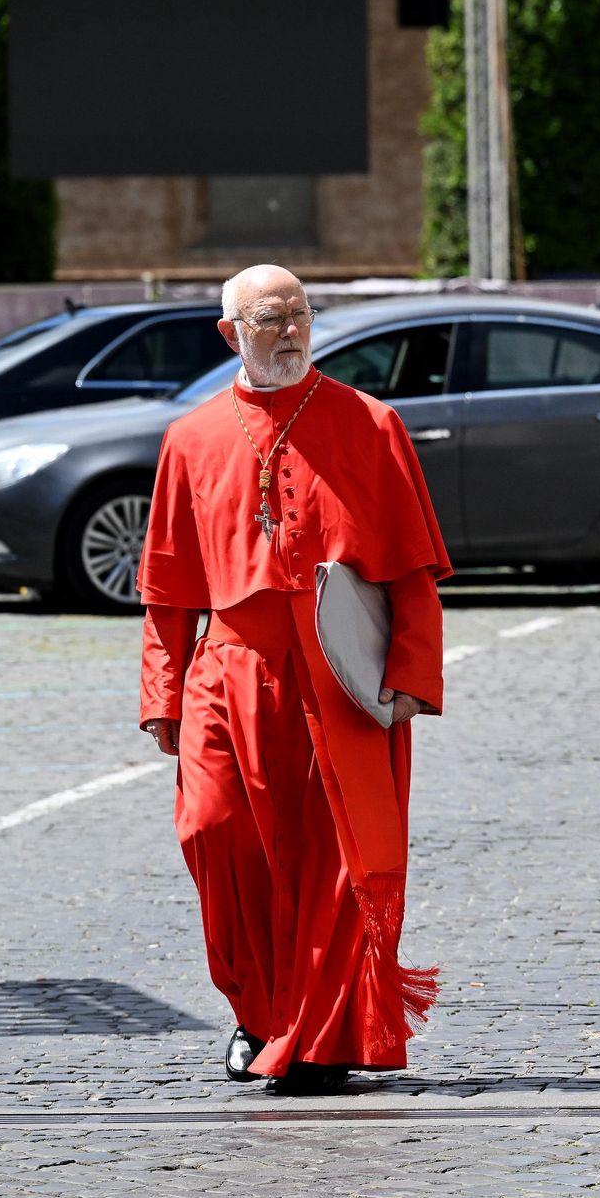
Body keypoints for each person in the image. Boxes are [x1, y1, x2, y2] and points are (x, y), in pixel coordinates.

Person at [138, 265, 452, 1092]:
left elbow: (411, 574)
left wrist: (412, 677)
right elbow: (168, 587)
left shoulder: (371, 424)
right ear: (230, 332)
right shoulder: (189, 439)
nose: (288, 331)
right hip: (227, 667)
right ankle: (257, 1010)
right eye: (269, 318)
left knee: (331, 859)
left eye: (300, 315)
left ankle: (315, 1035)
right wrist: (163, 693)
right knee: (212, 833)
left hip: (337, 675)